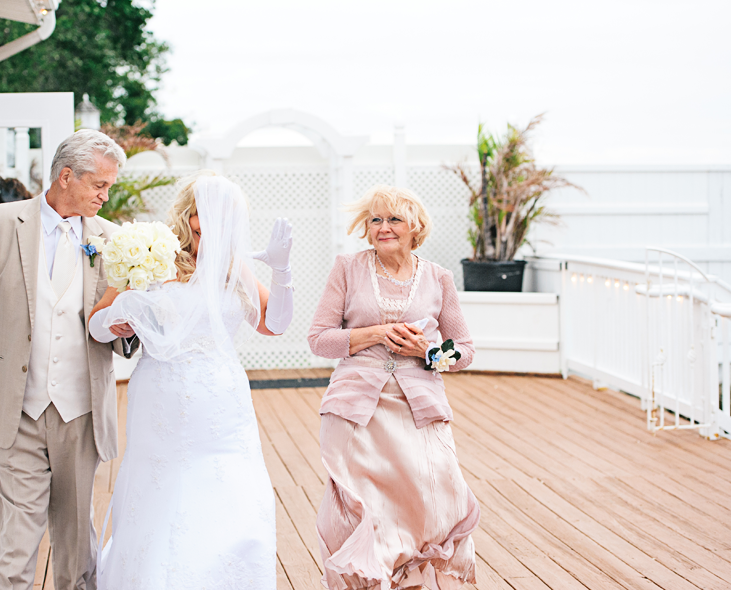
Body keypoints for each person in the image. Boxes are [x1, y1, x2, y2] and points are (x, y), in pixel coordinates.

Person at [0, 129, 139, 590]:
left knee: (78, 544)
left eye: (110, 186)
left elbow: (113, 331)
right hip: (16, 410)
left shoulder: (111, 239)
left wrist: (128, 331)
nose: (105, 195)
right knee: (17, 540)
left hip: (81, 413)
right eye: (99, 185)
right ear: (66, 175)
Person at [89, 171, 294, 589]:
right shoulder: (152, 256)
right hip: (160, 394)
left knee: (226, 484)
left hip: (221, 398)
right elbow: (95, 324)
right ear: (186, 216)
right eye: (198, 222)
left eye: (216, 224)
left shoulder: (234, 268)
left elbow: (275, 325)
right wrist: (119, 322)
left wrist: (282, 270)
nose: (204, 235)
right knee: (159, 483)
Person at [308, 184, 480, 590]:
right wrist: (372, 334)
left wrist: (429, 351)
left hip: (418, 407)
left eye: (394, 219)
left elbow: (466, 350)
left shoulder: (438, 277)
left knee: (432, 501)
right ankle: (372, 578)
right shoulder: (347, 268)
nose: (384, 227)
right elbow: (319, 339)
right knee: (364, 506)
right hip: (356, 408)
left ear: (415, 227)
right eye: (376, 220)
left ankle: (411, 580)